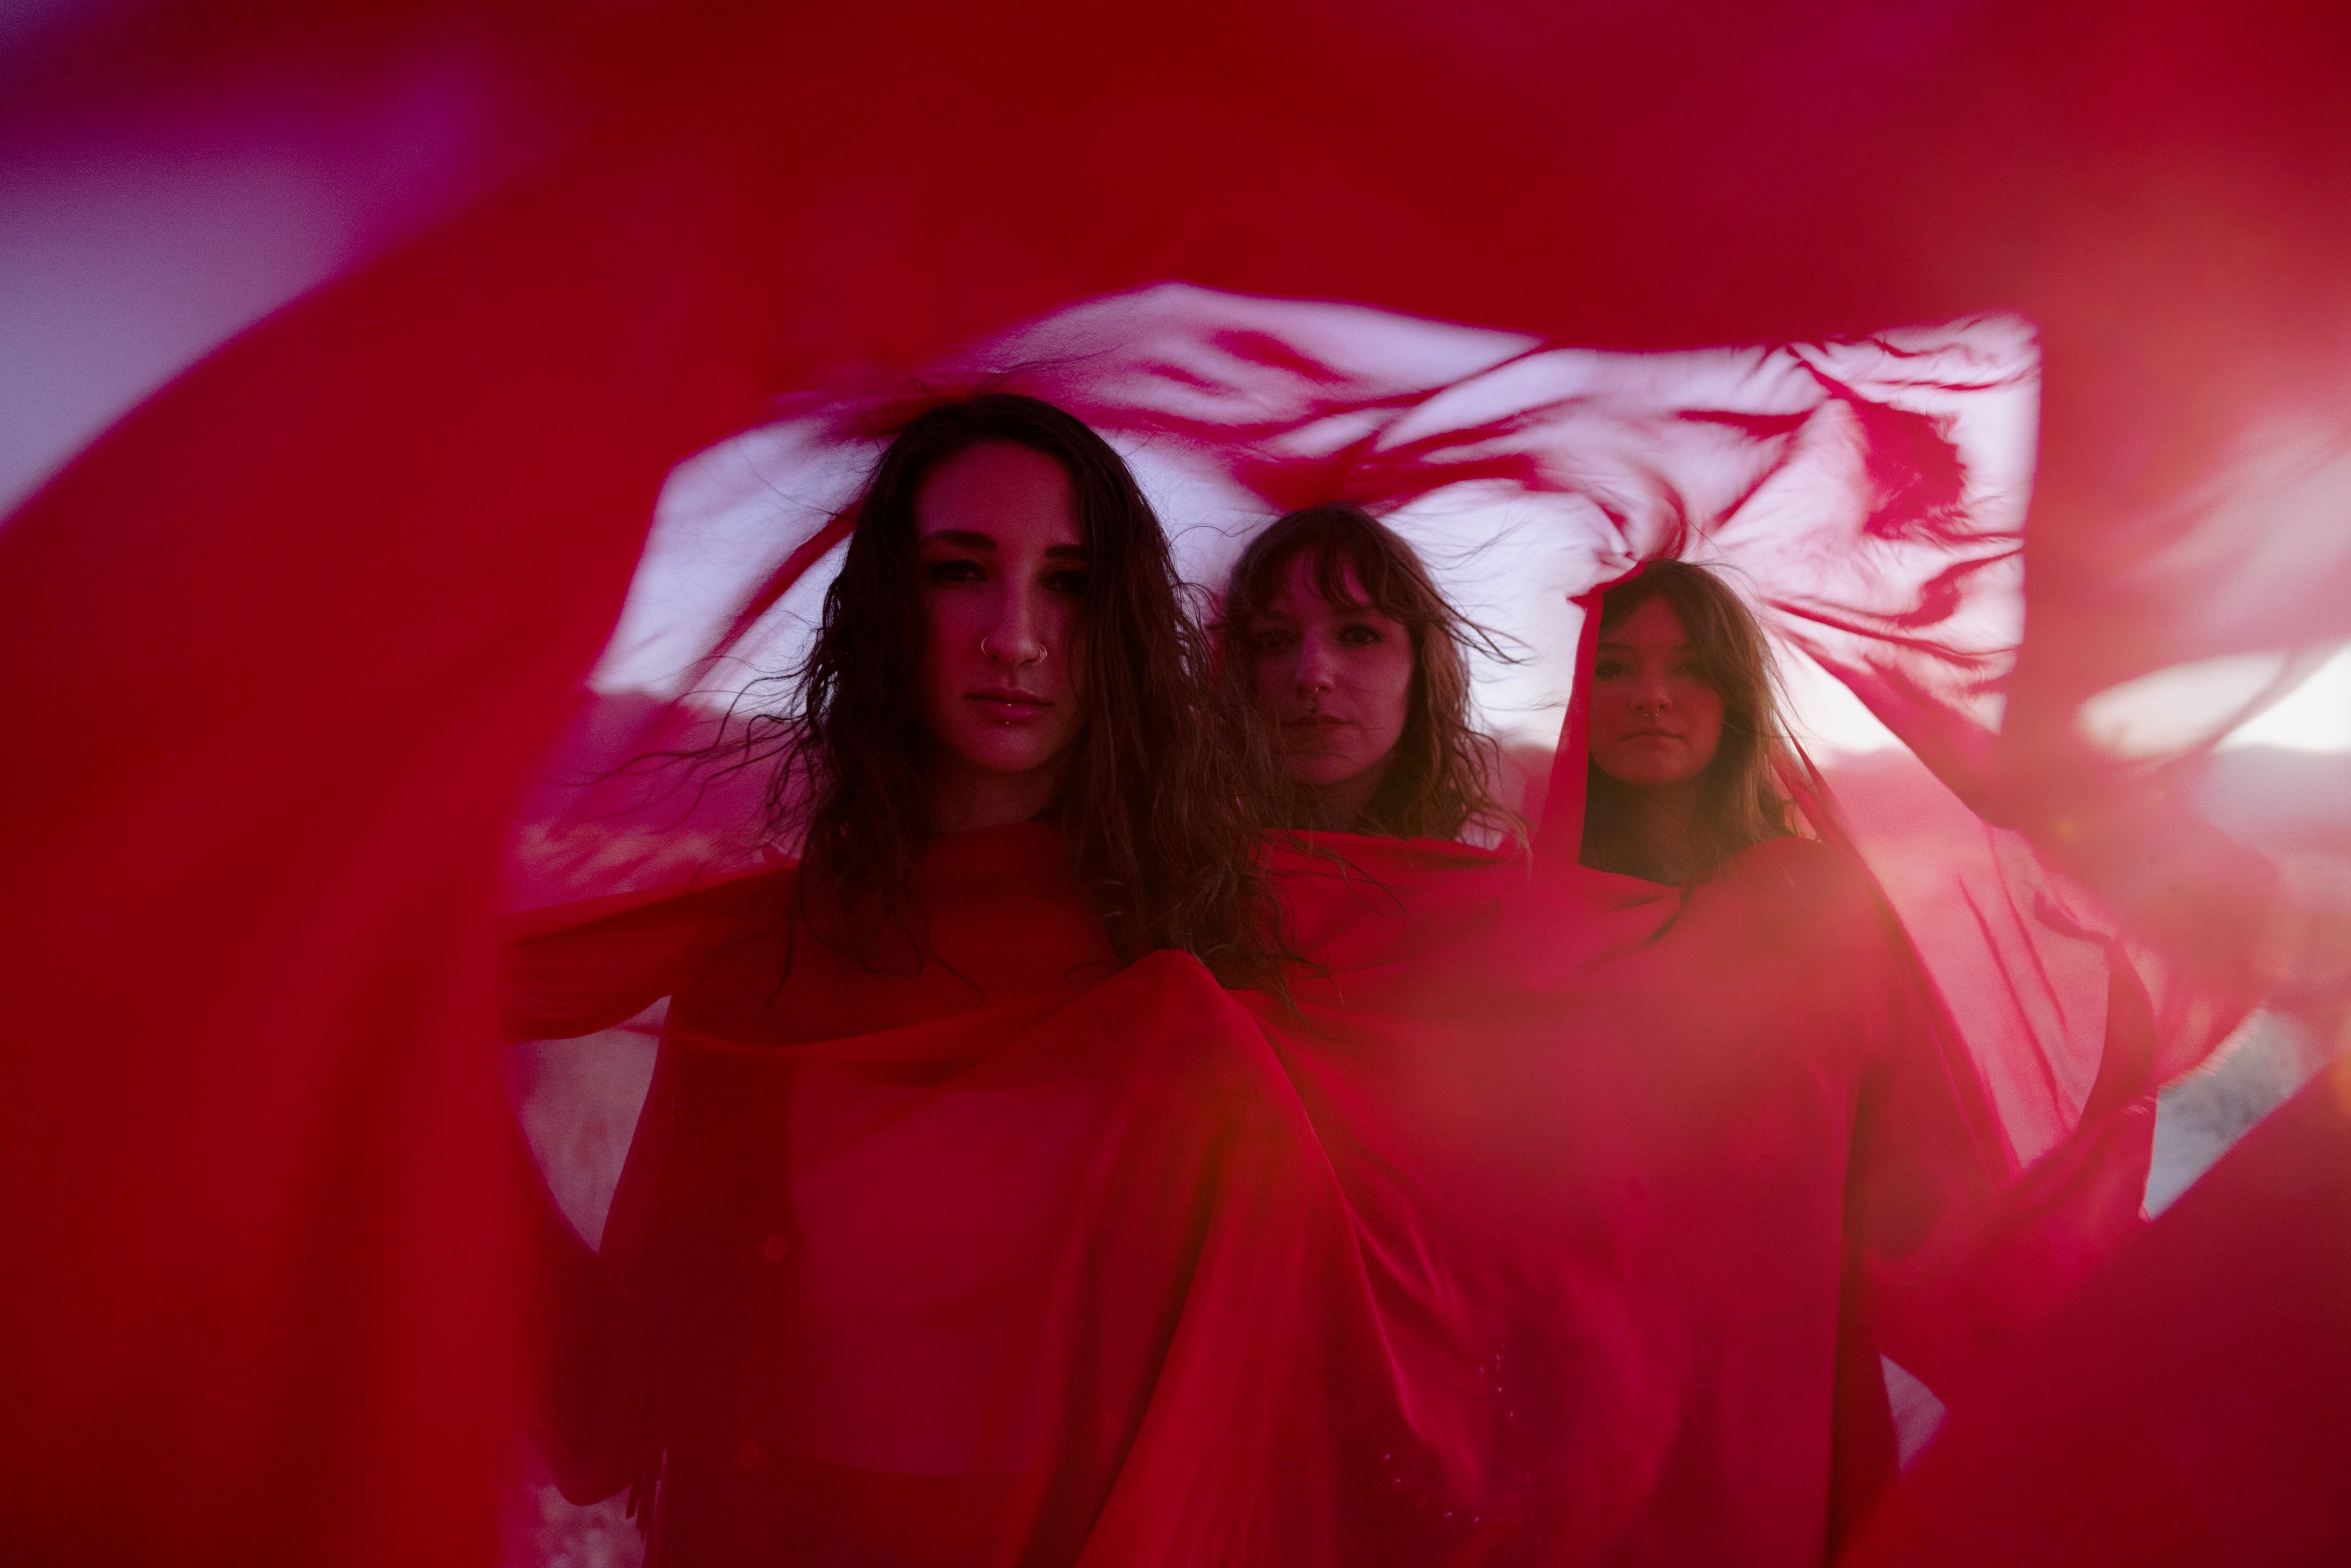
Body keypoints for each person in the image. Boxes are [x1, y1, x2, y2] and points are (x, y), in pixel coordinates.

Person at [1219, 502, 1516, 841]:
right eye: (1274, 639)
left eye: (1359, 635)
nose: (1312, 676)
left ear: (1422, 664)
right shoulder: (1177, 866)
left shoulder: (1488, 877)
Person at [1578, 558, 1794, 884]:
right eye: (1612, 669)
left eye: (1691, 668)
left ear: (1735, 697)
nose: (1651, 698)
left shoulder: (1810, 886)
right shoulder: (1518, 894)